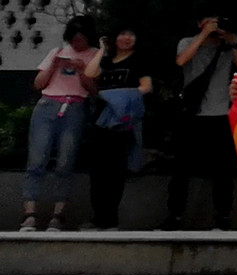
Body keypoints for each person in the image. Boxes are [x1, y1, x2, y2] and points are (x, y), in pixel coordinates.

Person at [166, 13, 237, 230]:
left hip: (220, 113)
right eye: (210, 22)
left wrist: (234, 41)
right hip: (192, 113)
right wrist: (203, 35)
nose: (215, 26)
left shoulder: (228, 44)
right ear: (200, 24)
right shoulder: (188, 42)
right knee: (181, 167)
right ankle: (174, 215)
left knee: (223, 169)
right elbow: (181, 60)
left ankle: (223, 215)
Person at [21, 20, 98, 232]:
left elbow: (93, 89)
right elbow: (38, 83)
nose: (77, 43)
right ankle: (29, 215)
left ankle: (58, 215)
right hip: (48, 105)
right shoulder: (57, 51)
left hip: (74, 107)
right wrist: (55, 64)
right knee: (37, 159)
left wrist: (82, 70)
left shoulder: (94, 54)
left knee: (65, 161)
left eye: (81, 39)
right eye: (74, 38)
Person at [85, 26, 153, 230]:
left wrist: (120, 96)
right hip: (101, 119)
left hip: (122, 120)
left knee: (115, 171)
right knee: (98, 172)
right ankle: (97, 217)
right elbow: (89, 73)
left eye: (131, 34)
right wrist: (101, 50)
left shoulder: (138, 61)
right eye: (122, 34)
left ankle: (110, 219)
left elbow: (146, 87)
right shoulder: (107, 61)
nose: (126, 38)